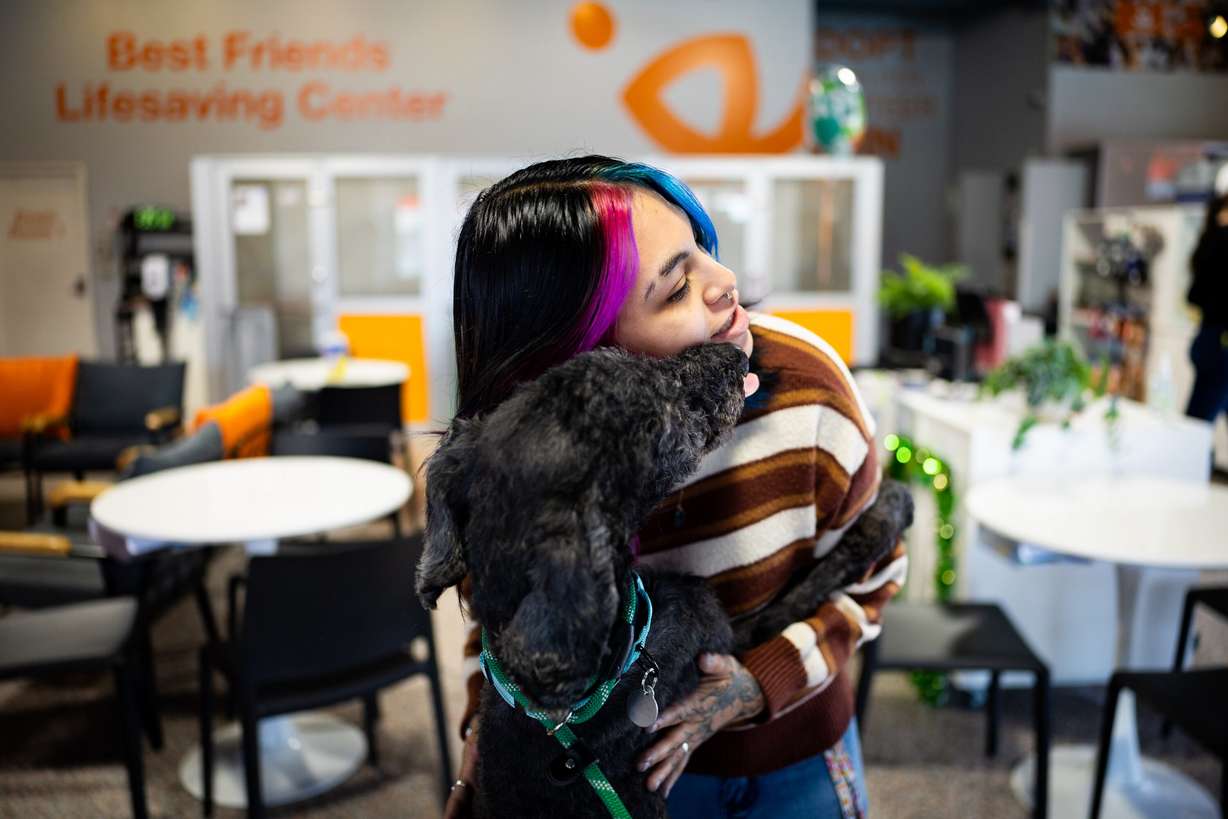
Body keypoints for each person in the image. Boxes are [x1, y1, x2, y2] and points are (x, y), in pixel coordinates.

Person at [441, 156, 907, 819]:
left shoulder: (807, 390)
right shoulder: (530, 460)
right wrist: (485, 727)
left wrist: (758, 681)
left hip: (793, 753)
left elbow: (877, 569)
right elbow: (508, 613)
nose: (725, 282)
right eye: (675, 288)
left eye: (702, 250)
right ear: (580, 351)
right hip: (621, 774)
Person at [1185, 191, 1228, 428]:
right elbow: (1195, 295)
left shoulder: (1211, 243)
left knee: (1197, 425)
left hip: (1211, 342)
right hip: (1217, 346)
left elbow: (1193, 296)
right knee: (1197, 428)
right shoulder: (1218, 243)